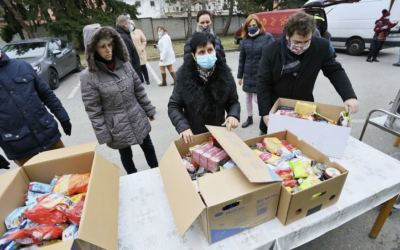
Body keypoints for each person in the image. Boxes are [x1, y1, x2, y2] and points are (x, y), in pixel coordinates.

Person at [257, 11, 359, 135]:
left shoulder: (321, 47)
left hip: (304, 109)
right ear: (287, 35)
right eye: (297, 42)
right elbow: (263, 83)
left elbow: (334, 71)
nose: (302, 46)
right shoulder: (271, 51)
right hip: (275, 108)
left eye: (306, 41)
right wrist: (265, 112)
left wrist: (349, 96)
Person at [80, 26, 158, 174]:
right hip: (116, 123)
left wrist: (148, 109)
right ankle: (132, 177)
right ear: (93, 49)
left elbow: (138, 90)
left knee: (148, 146)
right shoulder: (88, 76)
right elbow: (93, 109)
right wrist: (104, 133)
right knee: (126, 155)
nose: (108, 50)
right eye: (102, 46)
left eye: (109, 45)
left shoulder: (124, 63)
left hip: (136, 114)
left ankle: (157, 171)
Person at [0, 50, 71, 167]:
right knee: (37, 184)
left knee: (67, 176)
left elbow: (46, 94)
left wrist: (63, 117)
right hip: (21, 148)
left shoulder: (21, 66)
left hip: (49, 136)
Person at [168, 32, 240, 143]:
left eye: (210, 50)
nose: (207, 54)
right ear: (194, 56)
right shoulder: (184, 78)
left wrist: (233, 115)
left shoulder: (226, 76)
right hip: (193, 135)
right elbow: (174, 105)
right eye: (201, 52)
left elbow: (233, 101)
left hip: (218, 132)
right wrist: (183, 126)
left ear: (215, 50)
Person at [237, 14, 274, 128]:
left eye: (254, 25)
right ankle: (249, 118)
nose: (252, 27)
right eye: (249, 25)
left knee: (259, 99)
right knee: (248, 98)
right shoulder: (245, 40)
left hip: (261, 74)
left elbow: (272, 56)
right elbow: (242, 58)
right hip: (248, 73)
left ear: (258, 25)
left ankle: (266, 116)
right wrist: (240, 76)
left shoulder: (267, 37)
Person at [114, 15, 143, 82]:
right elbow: (128, 59)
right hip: (130, 76)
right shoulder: (124, 38)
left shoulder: (120, 35)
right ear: (125, 24)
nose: (131, 25)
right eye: (129, 23)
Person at [130, 20, 150, 85]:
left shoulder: (139, 31)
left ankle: (147, 79)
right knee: (136, 67)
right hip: (132, 53)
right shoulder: (127, 33)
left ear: (133, 25)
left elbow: (144, 40)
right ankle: (141, 79)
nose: (130, 26)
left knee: (143, 66)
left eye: (131, 24)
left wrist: (141, 48)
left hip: (140, 52)